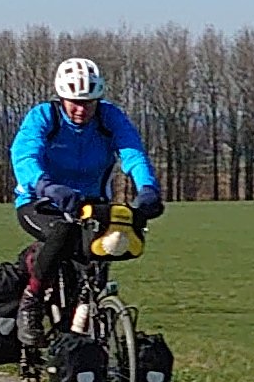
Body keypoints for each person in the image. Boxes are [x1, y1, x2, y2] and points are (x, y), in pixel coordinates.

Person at [8, 56, 164, 317]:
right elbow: (25, 155)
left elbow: (133, 153)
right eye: (75, 103)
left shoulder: (109, 118)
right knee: (63, 231)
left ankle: (91, 321)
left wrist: (147, 188)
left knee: (106, 250)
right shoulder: (44, 116)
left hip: (92, 205)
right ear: (62, 98)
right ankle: (31, 301)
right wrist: (46, 186)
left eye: (89, 103)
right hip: (41, 202)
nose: (82, 109)